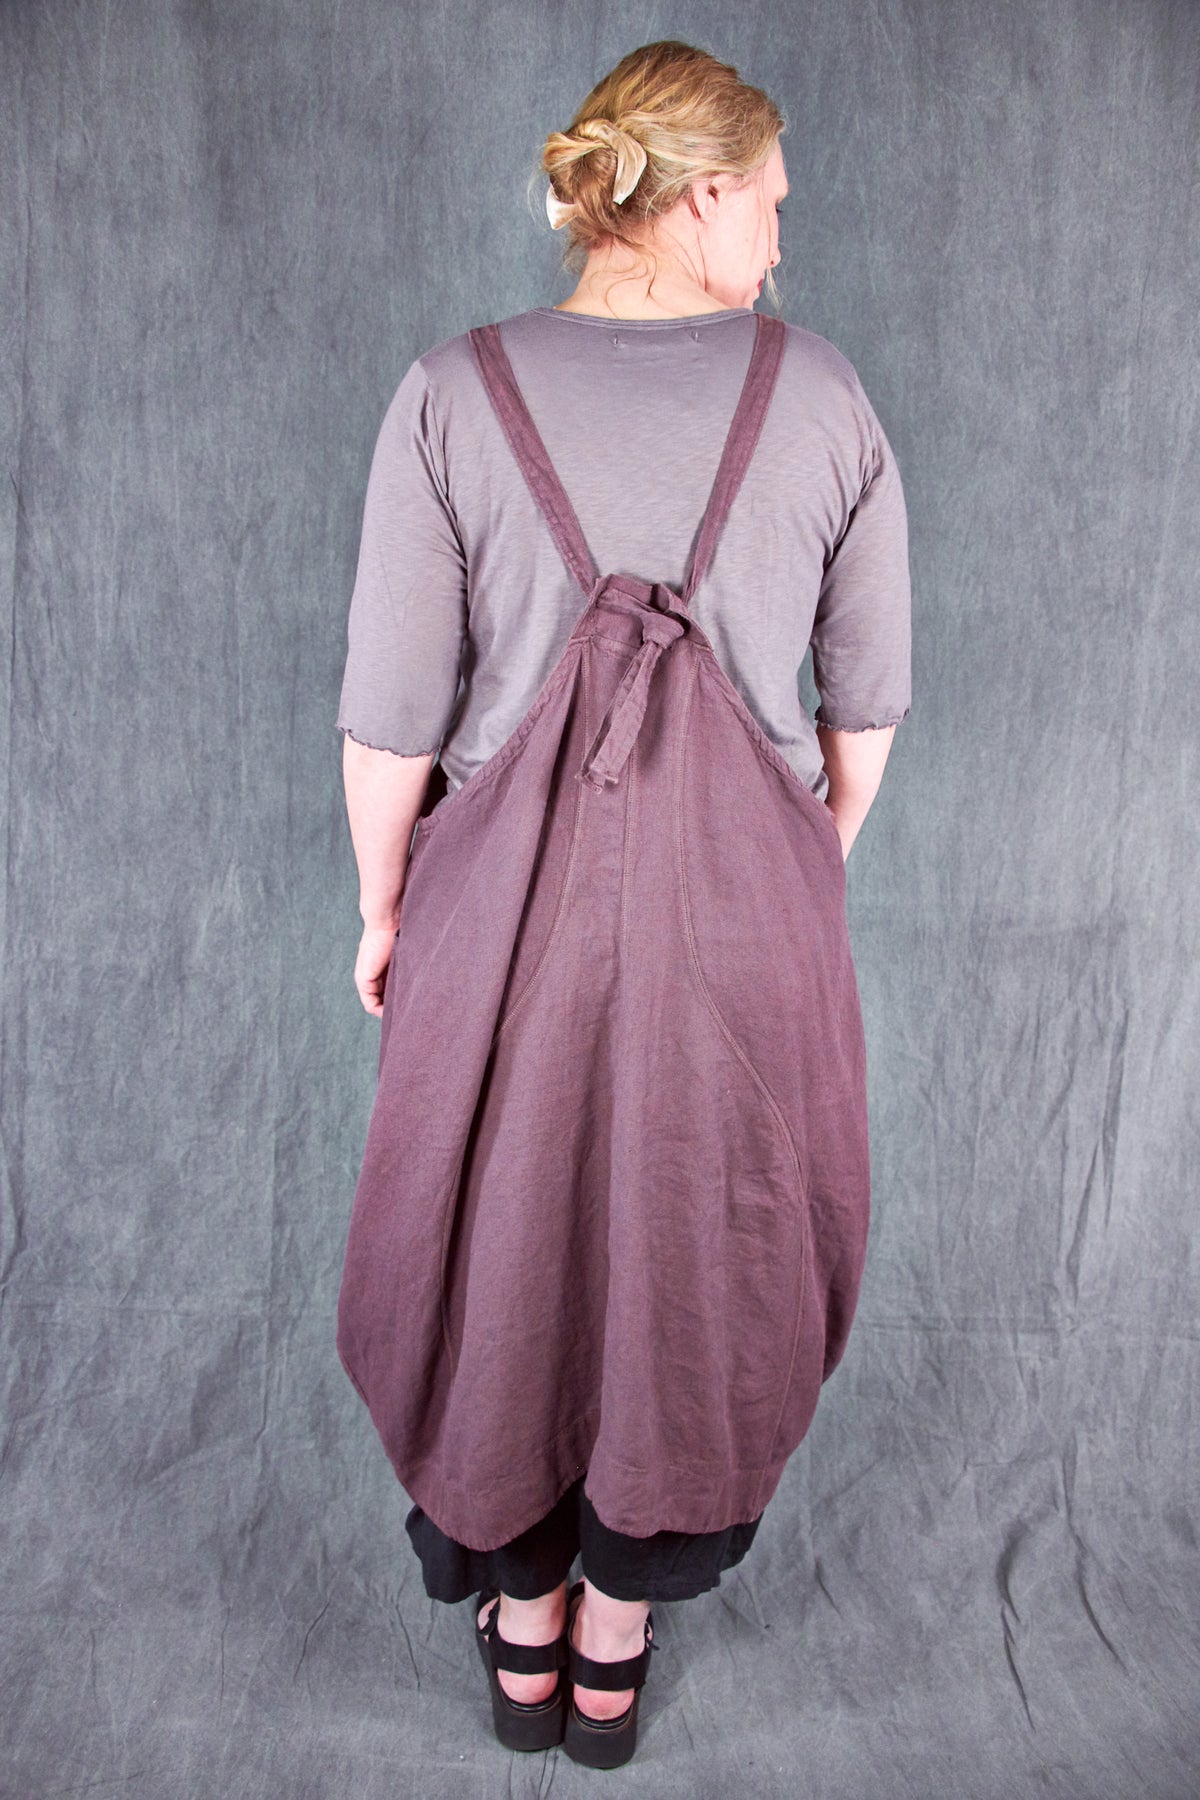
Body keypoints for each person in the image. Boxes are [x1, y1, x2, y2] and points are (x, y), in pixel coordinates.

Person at [334, 39, 911, 1769]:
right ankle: (616, 1636)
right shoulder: (826, 399)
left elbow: (390, 717)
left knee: (491, 1233)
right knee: (707, 1246)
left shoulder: (451, 394)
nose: (783, 240)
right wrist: (798, 866)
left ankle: (520, 1619)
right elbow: (868, 708)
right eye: (774, 204)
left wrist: (383, 910)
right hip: (747, 925)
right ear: (706, 193)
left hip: (496, 920)